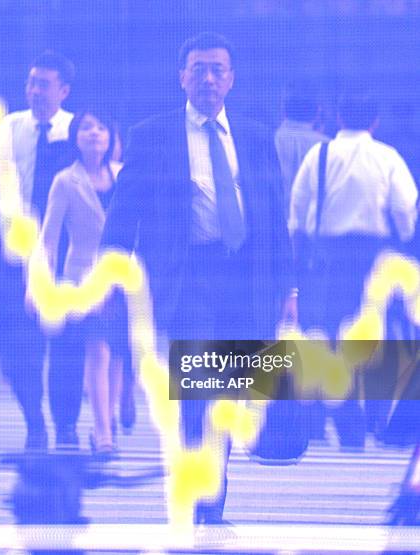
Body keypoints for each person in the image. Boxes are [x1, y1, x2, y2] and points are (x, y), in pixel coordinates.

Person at [101, 32, 295, 524]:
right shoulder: (152, 135)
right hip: (189, 280)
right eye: (199, 68)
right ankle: (205, 498)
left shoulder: (255, 136)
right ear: (181, 76)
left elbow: (275, 219)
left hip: (245, 280)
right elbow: (124, 214)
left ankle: (211, 483)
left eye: (218, 69)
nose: (208, 78)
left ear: (231, 78)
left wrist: (288, 291)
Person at [289, 89, 418, 449]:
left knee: (328, 337)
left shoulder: (320, 154)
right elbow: (406, 208)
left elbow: (296, 212)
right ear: (375, 121)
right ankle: (376, 417)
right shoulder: (387, 157)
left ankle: (342, 418)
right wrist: (403, 236)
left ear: (337, 118)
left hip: (326, 258)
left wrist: (298, 258)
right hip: (375, 258)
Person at [0, 50, 75, 450]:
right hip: (16, 254)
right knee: (18, 350)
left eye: (43, 84)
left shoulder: (77, 130)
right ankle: (34, 422)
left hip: (62, 257)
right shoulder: (9, 127)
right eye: (31, 83)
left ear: (64, 90)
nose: (34, 91)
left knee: (63, 348)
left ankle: (67, 425)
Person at [38, 109, 125, 456]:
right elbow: (49, 237)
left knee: (119, 353)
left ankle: (112, 414)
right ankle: (102, 430)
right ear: (75, 137)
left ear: (111, 137)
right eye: (87, 127)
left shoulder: (123, 176)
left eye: (102, 127)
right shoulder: (65, 181)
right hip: (83, 278)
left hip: (123, 278)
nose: (94, 133)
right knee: (98, 350)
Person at [275, 80, 329, 216]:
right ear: (318, 112)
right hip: (314, 225)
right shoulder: (329, 146)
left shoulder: (268, 141)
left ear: (283, 111)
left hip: (276, 224)